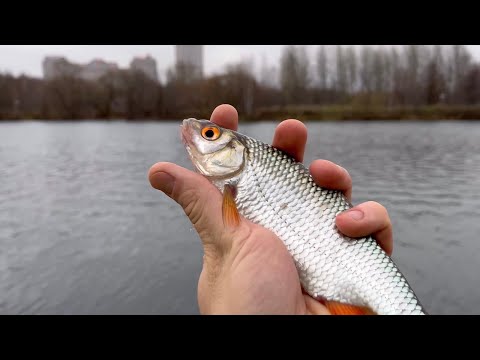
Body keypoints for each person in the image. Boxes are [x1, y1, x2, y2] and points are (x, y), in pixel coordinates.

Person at [148, 104, 393, 315]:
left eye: (209, 134)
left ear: (237, 152)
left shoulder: (234, 185)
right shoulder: (229, 191)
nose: (196, 134)